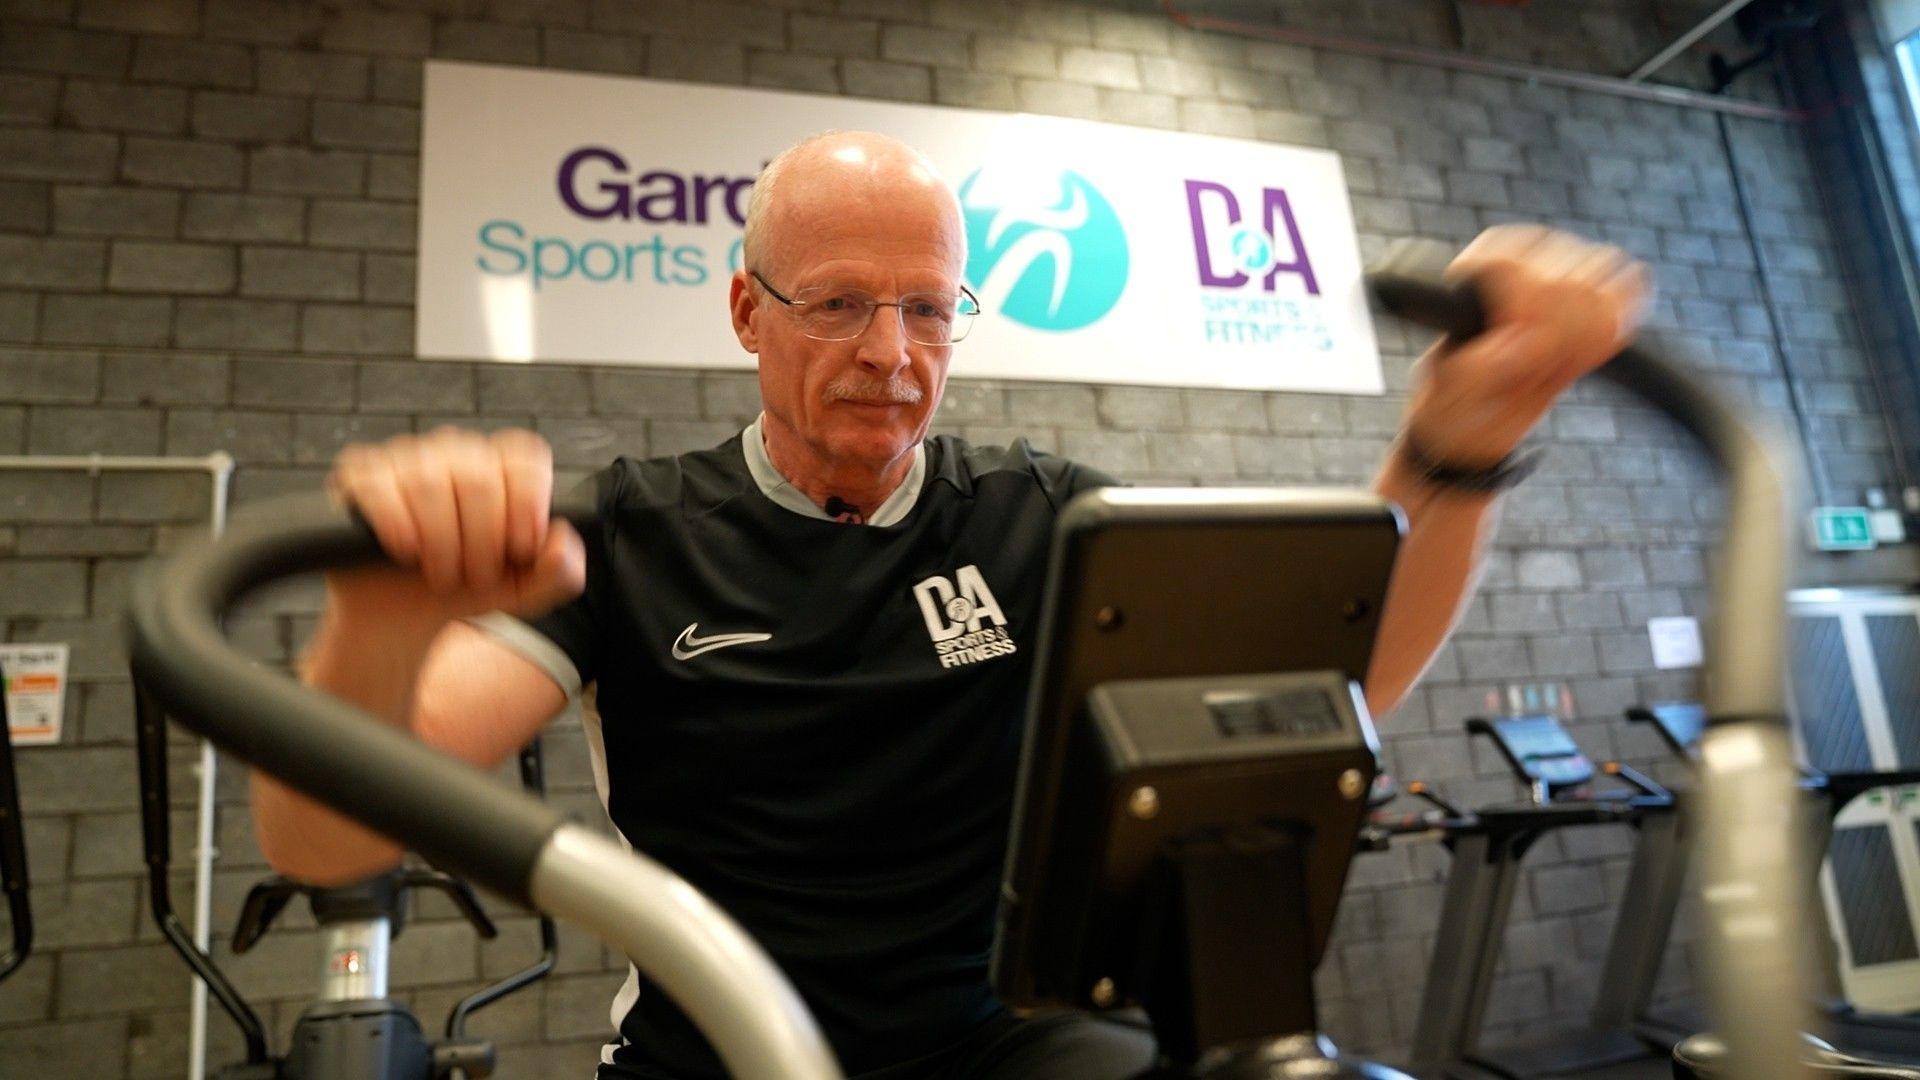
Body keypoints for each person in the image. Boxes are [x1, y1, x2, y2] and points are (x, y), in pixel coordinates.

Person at [251, 131, 1649, 1078]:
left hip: (1012, 1041)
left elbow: (1339, 676)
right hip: (722, 1049)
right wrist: (378, 619)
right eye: (840, 306)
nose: (890, 354)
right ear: (747, 314)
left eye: (928, 309)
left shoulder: (1041, 514)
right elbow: (328, 834)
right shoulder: (625, 531)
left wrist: (1457, 447)